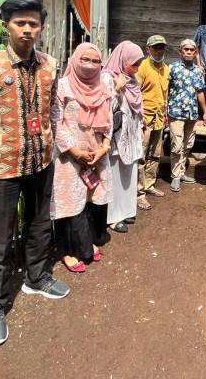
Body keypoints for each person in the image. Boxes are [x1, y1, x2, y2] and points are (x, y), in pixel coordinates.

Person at [0, 0, 70, 348]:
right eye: (20, 22)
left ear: (41, 27)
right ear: (6, 24)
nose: (27, 29)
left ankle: (36, 278)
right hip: (1, 168)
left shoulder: (51, 65)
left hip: (40, 162)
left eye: (34, 23)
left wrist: (47, 143)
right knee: (0, 240)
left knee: (39, 226)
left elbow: (53, 107)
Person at [50, 43, 113, 273]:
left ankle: (88, 243)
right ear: (75, 60)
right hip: (70, 156)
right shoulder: (63, 86)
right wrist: (75, 152)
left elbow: (110, 120)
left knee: (90, 199)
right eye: (85, 59)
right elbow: (55, 121)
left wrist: (104, 148)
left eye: (95, 61)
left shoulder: (105, 85)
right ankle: (69, 251)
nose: (90, 65)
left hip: (97, 154)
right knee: (70, 203)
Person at [101, 41, 144, 234]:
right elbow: (103, 108)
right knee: (115, 175)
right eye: (133, 63)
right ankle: (113, 217)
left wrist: (140, 127)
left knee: (129, 173)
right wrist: (117, 89)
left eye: (138, 64)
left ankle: (126, 210)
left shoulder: (132, 79)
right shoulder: (107, 78)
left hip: (132, 134)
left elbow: (137, 108)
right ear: (122, 59)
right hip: (116, 137)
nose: (136, 68)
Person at [167, 39, 206, 192]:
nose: (189, 52)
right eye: (186, 50)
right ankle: (175, 176)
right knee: (176, 146)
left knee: (188, 145)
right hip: (175, 112)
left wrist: (204, 112)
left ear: (195, 52)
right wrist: (164, 111)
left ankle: (182, 172)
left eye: (192, 50)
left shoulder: (198, 71)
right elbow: (166, 90)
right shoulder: (172, 68)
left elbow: (200, 92)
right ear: (180, 51)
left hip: (192, 113)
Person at [136, 35, 169, 210]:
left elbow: (165, 94)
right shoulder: (142, 67)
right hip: (145, 118)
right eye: (155, 47)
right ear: (147, 49)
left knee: (155, 154)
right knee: (141, 156)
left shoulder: (165, 68)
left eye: (161, 47)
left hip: (159, 118)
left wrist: (165, 114)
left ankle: (149, 185)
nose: (159, 50)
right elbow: (135, 94)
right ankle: (139, 193)